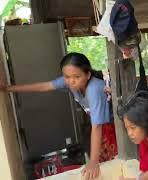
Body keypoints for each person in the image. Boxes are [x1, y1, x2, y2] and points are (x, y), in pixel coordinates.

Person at [0, 52, 117, 180]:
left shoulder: (93, 89)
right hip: (102, 126)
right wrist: (7, 89)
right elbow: (44, 86)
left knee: (112, 164)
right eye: (67, 76)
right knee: (101, 166)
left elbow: (97, 126)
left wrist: (93, 162)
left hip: (114, 126)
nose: (71, 81)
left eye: (76, 76)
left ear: (88, 75)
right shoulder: (71, 82)